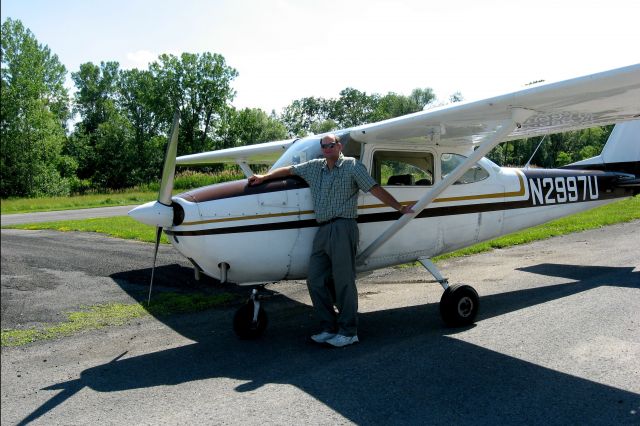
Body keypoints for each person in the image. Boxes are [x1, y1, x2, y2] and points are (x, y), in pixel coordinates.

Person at [248, 134, 414, 347]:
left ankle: (348, 331)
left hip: (344, 226)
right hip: (323, 228)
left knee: (344, 281)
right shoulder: (315, 167)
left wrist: (399, 207)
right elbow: (290, 170)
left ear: (339, 146)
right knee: (315, 279)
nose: (326, 148)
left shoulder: (352, 166)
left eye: (330, 145)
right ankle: (328, 327)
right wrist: (264, 176)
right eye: (323, 146)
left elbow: (374, 188)